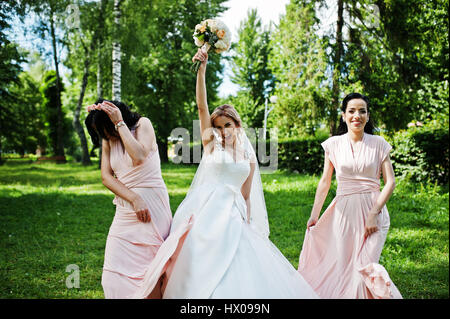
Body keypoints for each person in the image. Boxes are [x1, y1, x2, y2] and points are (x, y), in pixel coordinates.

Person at [131, 48, 319, 299]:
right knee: (200, 263)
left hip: (234, 215)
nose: (222, 131)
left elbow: (247, 194)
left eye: (227, 125)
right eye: (217, 127)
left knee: (241, 264)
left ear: (237, 125)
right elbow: (201, 105)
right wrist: (202, 70)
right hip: (206, 212)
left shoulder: (247, 157)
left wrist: (249, 221)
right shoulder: (211, 146)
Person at [297, 93, 402, 299]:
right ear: (344, 116)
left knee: (364, 266)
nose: (357, 115)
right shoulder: (333, 144)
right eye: (352, 111)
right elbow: (325, 182)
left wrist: (373, 214)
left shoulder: (379, 143)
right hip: (343, 214)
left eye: (362, 111)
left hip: (374, 212)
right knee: (345, 270)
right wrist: (314, 215)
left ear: (368, 116)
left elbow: (390, 183)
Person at [85, 99, 172, 298]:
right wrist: (133, 198)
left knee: (151, 273)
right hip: (126, 209)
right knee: (112, 276)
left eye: (104, 128)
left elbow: (139, 156)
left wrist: (119, 124)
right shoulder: (108, 139)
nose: (104, 135)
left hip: (152, 208)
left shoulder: (143, 124)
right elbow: (106, 177)